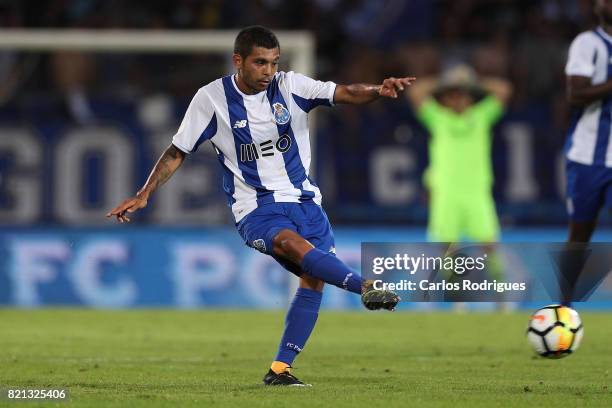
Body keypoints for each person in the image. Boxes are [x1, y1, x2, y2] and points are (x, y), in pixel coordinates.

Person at [107, 26, 415, 386]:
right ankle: (365, 286)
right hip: (255, 207)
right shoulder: (211, 99)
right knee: (291, 245)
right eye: (259, 63)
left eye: (273, 62)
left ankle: (280, 370)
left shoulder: (291, 86)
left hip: (305, 201)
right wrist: (145, 192)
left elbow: (345, 92)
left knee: (313, 278)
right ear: (238, 61)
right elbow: (178, 151)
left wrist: (378, 90)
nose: (268, 71)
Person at [406, 64, 511, 244]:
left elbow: (504, 89)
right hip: (446, 193)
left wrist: (470, 80)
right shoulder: (438, 118)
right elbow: (415, 91)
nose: (457, 100)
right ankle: (450, 274)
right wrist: (448, 79)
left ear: (470, 98)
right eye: (452, 96)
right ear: (445, 100)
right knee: (446, 247)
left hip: (477, 192)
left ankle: (496, 273)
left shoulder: (481, 116)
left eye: (461, 95)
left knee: (489, 244)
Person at [561, 0, 612, 305]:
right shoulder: (588, 43)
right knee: (579, 235)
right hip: (588, 156)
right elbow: (575, 94)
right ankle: (563, 308)